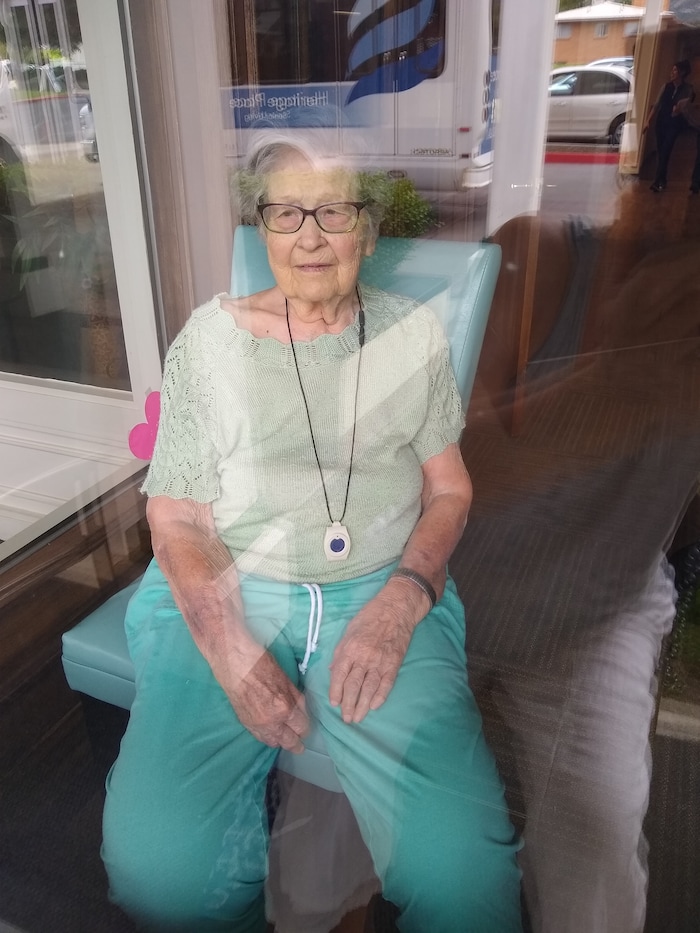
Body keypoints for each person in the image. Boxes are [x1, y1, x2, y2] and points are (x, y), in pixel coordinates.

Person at [101, 132, 524, 933]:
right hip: (227, 581)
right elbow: (177, 515)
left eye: (334, 211)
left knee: (466, 880)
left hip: (381, 587)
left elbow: (449, 489)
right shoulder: (210, 342)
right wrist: (232, 651)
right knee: (161, 873)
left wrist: (404, 598)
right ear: (262, 228)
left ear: (368, 227)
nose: (310, 235)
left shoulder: (412, 333)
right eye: (286, 213)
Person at [643, 60, 693, 192]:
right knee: (661, 152)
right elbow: (657, 105)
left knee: (666, 150)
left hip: (674, 124)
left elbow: (689, 106)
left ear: (682, 72)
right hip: (661, 122)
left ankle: (657, 182)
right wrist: (648, 121)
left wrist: (680, 109)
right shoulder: (666, 87)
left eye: (675, 70)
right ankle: (663, 180)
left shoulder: (687, 89)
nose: (672, 73)